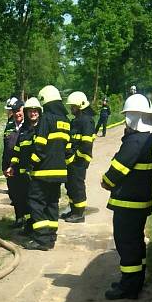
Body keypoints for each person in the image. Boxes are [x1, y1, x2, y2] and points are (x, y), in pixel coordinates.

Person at [100, 94, 152, 300]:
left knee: (126, 244)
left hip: (128, 204)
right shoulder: (150, 139)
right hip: (140, 202)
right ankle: (136, 280)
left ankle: (128, 287)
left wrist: (106, 182)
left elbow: (116, 171)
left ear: (133, 117)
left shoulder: (135, 142)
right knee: (136, 242)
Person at [24, 85, 69, 251]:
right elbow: (68, 148)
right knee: (52, 203)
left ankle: (41, 239)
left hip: (43, 171)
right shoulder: (65, 121)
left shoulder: (46, 119)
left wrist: (30, 164)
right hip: (59, 173)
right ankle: (51, 236)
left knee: (36, 202)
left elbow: (41, 146)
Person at [61, 91, 95, 223]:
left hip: (79, 161)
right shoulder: (76, 120)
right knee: (70, 185)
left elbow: (86, 145)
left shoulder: (86, 121)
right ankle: (74, 210)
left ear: (80, 105)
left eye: (73, 106)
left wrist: (75, 158)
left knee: (77, 186)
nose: (71, 109)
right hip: (72, 161)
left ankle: (80, 214)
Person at [8, 98, 40, 231]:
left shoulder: (40, 128)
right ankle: (28, 225)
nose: (32, 114)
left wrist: (30, 166)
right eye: (30, 111)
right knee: (21, 197)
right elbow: (17, 150)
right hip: (21, 171)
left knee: (34, 200)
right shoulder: (22, 130)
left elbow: (41, 151)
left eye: (35, 111)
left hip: (35, 172)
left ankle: (36, 229)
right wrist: (12, 166)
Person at [2, 97, 25, 227]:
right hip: (10, 167)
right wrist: (4, 166)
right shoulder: (9, 125)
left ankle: (28, 222)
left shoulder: (29, 125)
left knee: (25, 194)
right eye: (14, 111)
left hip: (24, 167)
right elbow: (6, 147)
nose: (17, 113)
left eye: (19, 110)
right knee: (14, 194)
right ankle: (19, 219)